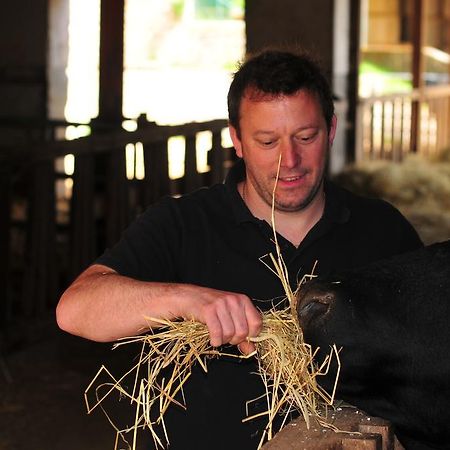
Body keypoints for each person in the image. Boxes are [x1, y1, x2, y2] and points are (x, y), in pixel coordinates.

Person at [56, 49, 423, 449]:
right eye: (267, 141)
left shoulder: (382, 231)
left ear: (331, 129)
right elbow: (74, 310)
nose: (290, 160)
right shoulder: (184, 224)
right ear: (238, 141)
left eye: (306, 136)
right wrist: (185, 298)